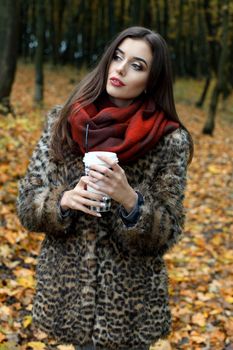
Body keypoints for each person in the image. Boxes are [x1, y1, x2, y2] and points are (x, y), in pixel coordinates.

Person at [17, 26, 193, 350]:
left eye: (137, 66)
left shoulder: (169, 140)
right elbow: (28, 201)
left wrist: (129, 199)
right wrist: (63, 200)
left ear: (151, 81)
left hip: (129, 305)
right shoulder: (63, 121)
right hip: (66, 294)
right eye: (118, 56)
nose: (121, 69)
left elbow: (168, 231)